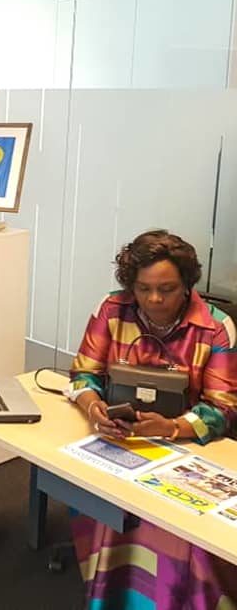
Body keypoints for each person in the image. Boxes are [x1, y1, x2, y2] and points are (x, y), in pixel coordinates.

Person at [69, 230, 237, 609]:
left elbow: (223, 408)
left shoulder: (217, 327)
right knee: (110, 504)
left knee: (181, 529)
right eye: (144, 289)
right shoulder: (112, 309)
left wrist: (171, 427)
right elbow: (83, 374)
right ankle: (113, 595)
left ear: (187, 284)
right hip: (118, 439)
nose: (154, 299)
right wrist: (94, 408)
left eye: (167, 289)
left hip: (187, 448)